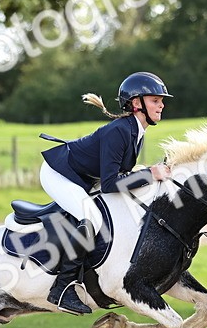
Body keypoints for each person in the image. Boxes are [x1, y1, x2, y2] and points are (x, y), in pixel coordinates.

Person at [38, 71, 174, 315]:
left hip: (83, 177)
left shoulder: (136, 131)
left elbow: (121, 177)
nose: (162, 105)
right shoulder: (119, 131)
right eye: (155, 100)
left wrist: (148, 175)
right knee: (91, 218)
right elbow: (111, 184)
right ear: (136, 103)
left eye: (161, 100)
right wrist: (150, 174)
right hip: (59, 174)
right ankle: (62, 288)